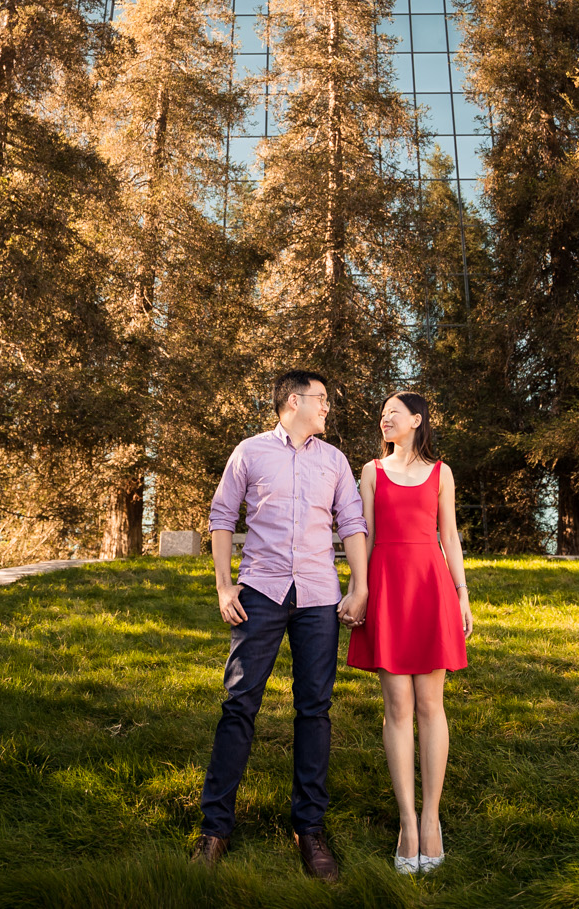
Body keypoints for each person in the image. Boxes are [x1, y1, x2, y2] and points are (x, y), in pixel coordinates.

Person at [191, 369, 370, 882]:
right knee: (239, 705)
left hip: (318, 597)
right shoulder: (249, 452)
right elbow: (222, 516)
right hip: (261, 594)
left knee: (314, 710)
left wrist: (358, 586)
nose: (327, 409)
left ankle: (309, 828)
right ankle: (215, 829)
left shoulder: (334, 460)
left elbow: (352, 524)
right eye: (322, 400)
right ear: (293, 401)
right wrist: (225, 587)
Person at [345, 391, 471, 875]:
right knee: (397, 706)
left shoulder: (442, 473)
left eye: (393, 413)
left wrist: (461, 593)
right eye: (382, 416)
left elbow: (450, 535)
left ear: (416, 420)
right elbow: (365, 536)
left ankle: (432, 819)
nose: (385, 419)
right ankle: (407, 823)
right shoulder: (371, 472)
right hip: (388, 590)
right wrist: (359, 589)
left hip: (430, 588)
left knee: (430, 705)